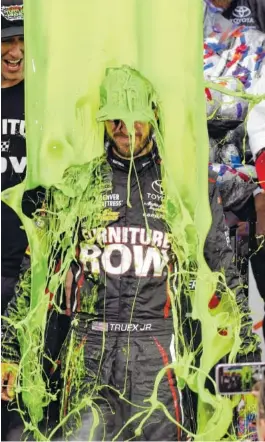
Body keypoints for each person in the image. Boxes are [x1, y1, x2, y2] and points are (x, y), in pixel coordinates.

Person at [1, 66, 261, 441]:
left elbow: (223, 269)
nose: (126, 128)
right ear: (103, 119)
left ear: (153, 115)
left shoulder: (184, 188)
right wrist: (8, 349)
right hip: (89, 351)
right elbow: (35, 272)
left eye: (135, 117)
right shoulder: (75, 185)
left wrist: (249, 362)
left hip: (158, 353)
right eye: (115, 119)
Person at [204, 0, 265, 337]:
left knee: (240, 315)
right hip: (195, 196)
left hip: (249, 195)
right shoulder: (176, 16)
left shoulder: (256, 16)